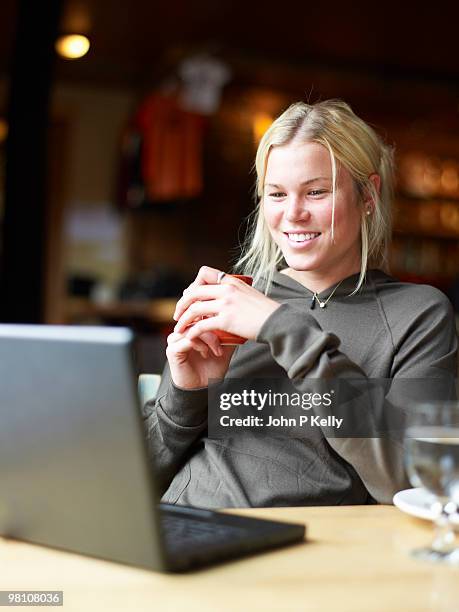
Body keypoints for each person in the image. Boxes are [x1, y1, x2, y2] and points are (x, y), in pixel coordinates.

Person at [142, 99, 458, 508]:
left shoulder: (418, 315)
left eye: (316, 192)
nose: (293, 214)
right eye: (276, 194)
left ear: (368, 195)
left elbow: (410, 480)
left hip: (306, 550)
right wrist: (186, 393)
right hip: (185, 529)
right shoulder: (232, 299)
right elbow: (137, 479)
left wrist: (285, 331)